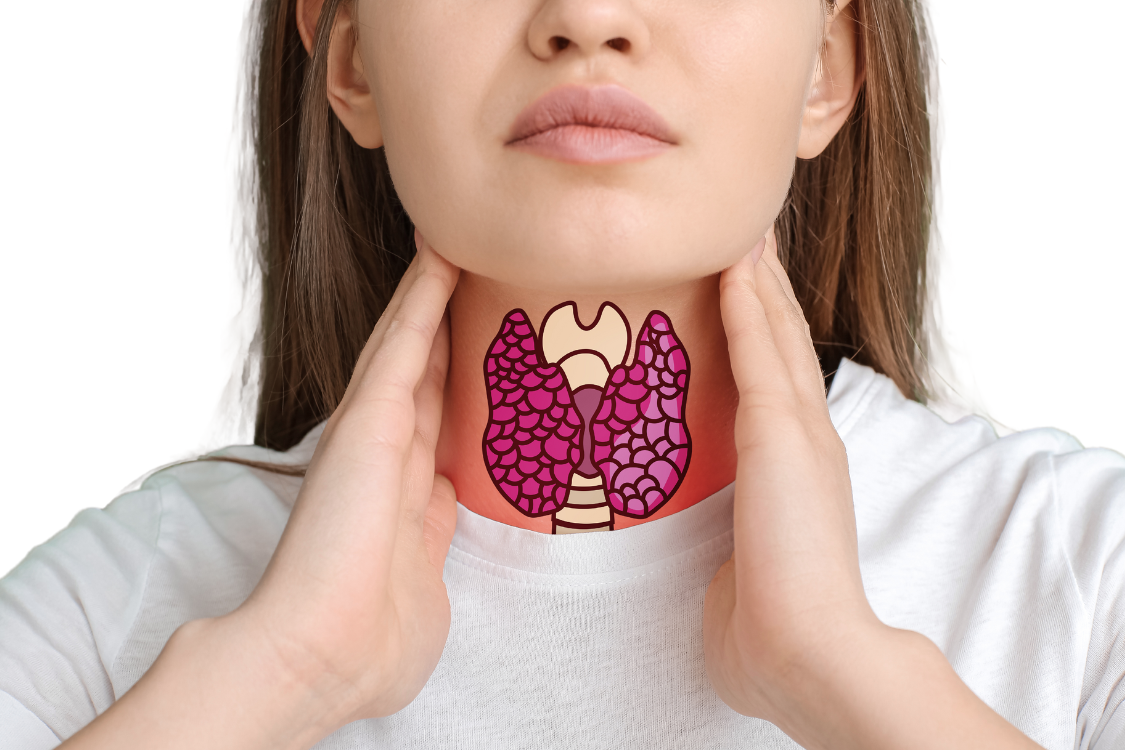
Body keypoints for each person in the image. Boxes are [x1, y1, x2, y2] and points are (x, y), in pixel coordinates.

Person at [1, 0, 1121, 747]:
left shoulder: (1082, 573)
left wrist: (848, 677)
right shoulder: (110, 620)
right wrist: (277, 675)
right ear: (350, 58)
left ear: (827, 68)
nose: (587, 18)